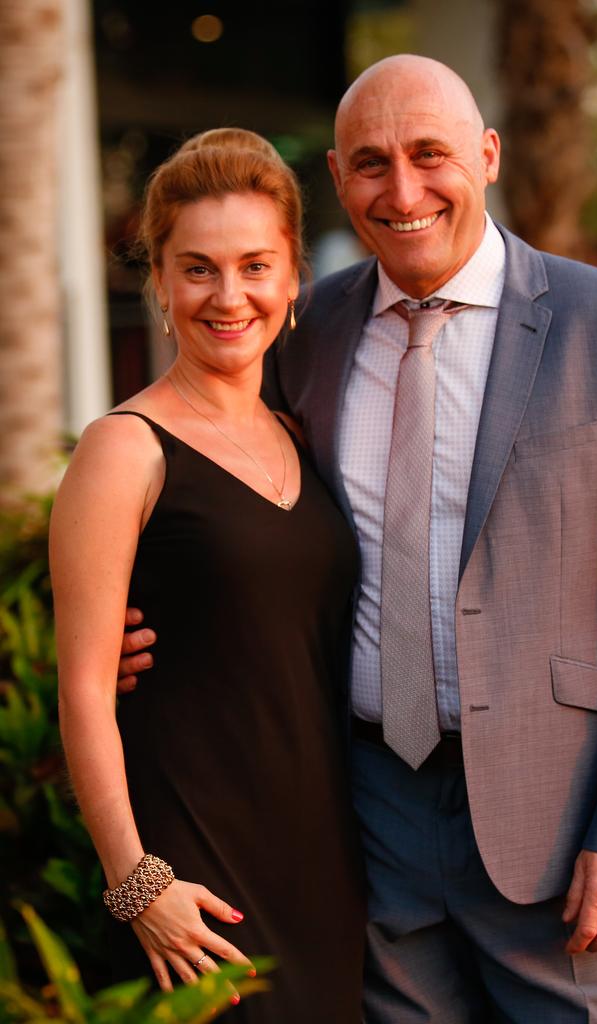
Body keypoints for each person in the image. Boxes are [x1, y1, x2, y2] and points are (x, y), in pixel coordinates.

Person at [121, 56, 597, 1023]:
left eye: (430, 154)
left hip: (557, 824)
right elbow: (241, 511)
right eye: (371, 163)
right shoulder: (306, 326)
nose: (402, 191)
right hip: (364, 809)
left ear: (486, 156)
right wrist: (141, 629)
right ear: (336, 176)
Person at [50, 127, 366, 1024]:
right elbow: (82, 692)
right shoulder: (123, 449)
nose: (230, 297)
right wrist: (137, 883)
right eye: (197, 269)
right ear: (157, 281)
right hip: (193, 879)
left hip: (324, 865)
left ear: (294, 276)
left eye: (255, 265)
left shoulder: (302, 433)